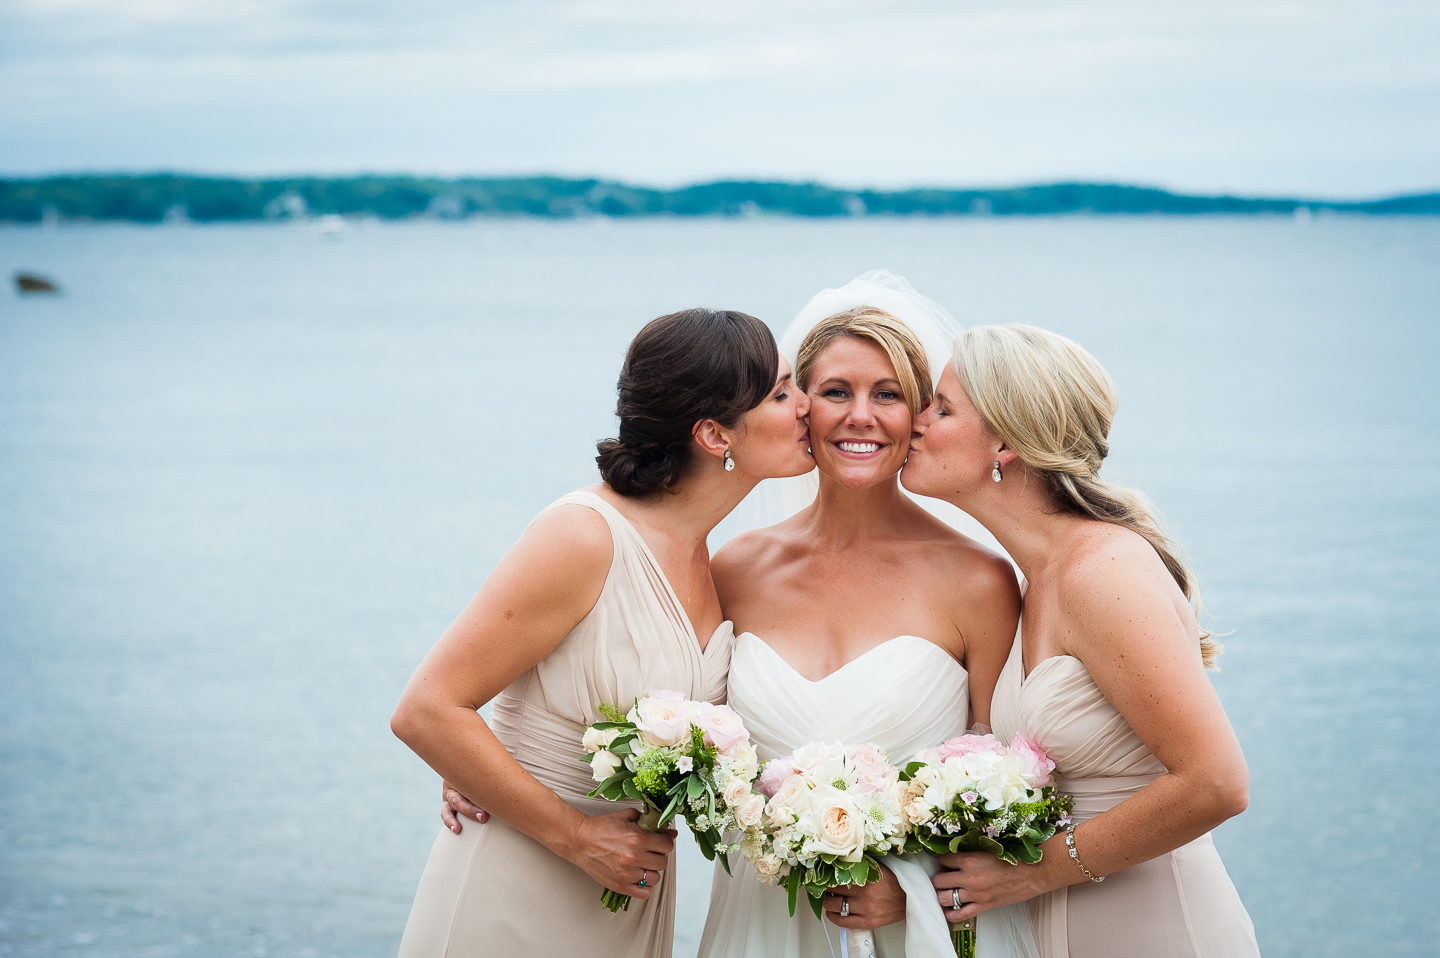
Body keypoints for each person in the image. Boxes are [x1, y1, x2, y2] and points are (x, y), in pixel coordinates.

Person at [390, 307, 815, 958]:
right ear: (714, 434)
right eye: (782, 393)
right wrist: (575, 837)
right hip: (523, 883)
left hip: (626, 895)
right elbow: (426, 711)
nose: (808, 405)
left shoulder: (708, 560)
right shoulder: (583, 536)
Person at [903, 324, 1260, 958]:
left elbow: (1217, 782)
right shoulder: (1033, 579)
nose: (915, 420)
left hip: (1157, 927)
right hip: (1057, 928)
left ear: (1006, 441)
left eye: (942, 407)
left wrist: (1035, 871)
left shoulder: (1104, 572)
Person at [695, 273, 1025, 958]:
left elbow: (1010, 788)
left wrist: (910, 886)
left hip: (912, 931)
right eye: (836, 391)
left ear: (919, 416)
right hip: (759, 923)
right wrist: (507, 773)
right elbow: (667, 719)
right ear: (799, 408)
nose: (861, 416)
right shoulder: (734, 568)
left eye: (889, 395)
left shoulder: (979, 580)